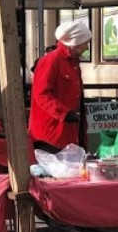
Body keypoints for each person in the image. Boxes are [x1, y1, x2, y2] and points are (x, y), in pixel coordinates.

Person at [29, 19, 91, 153]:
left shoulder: (73, 63)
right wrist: (64, 113)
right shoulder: (51, 61)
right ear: (75, 43)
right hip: (51, 133)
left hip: (68, 130)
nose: (86, 47)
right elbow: (41, 94)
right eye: (85, 43)